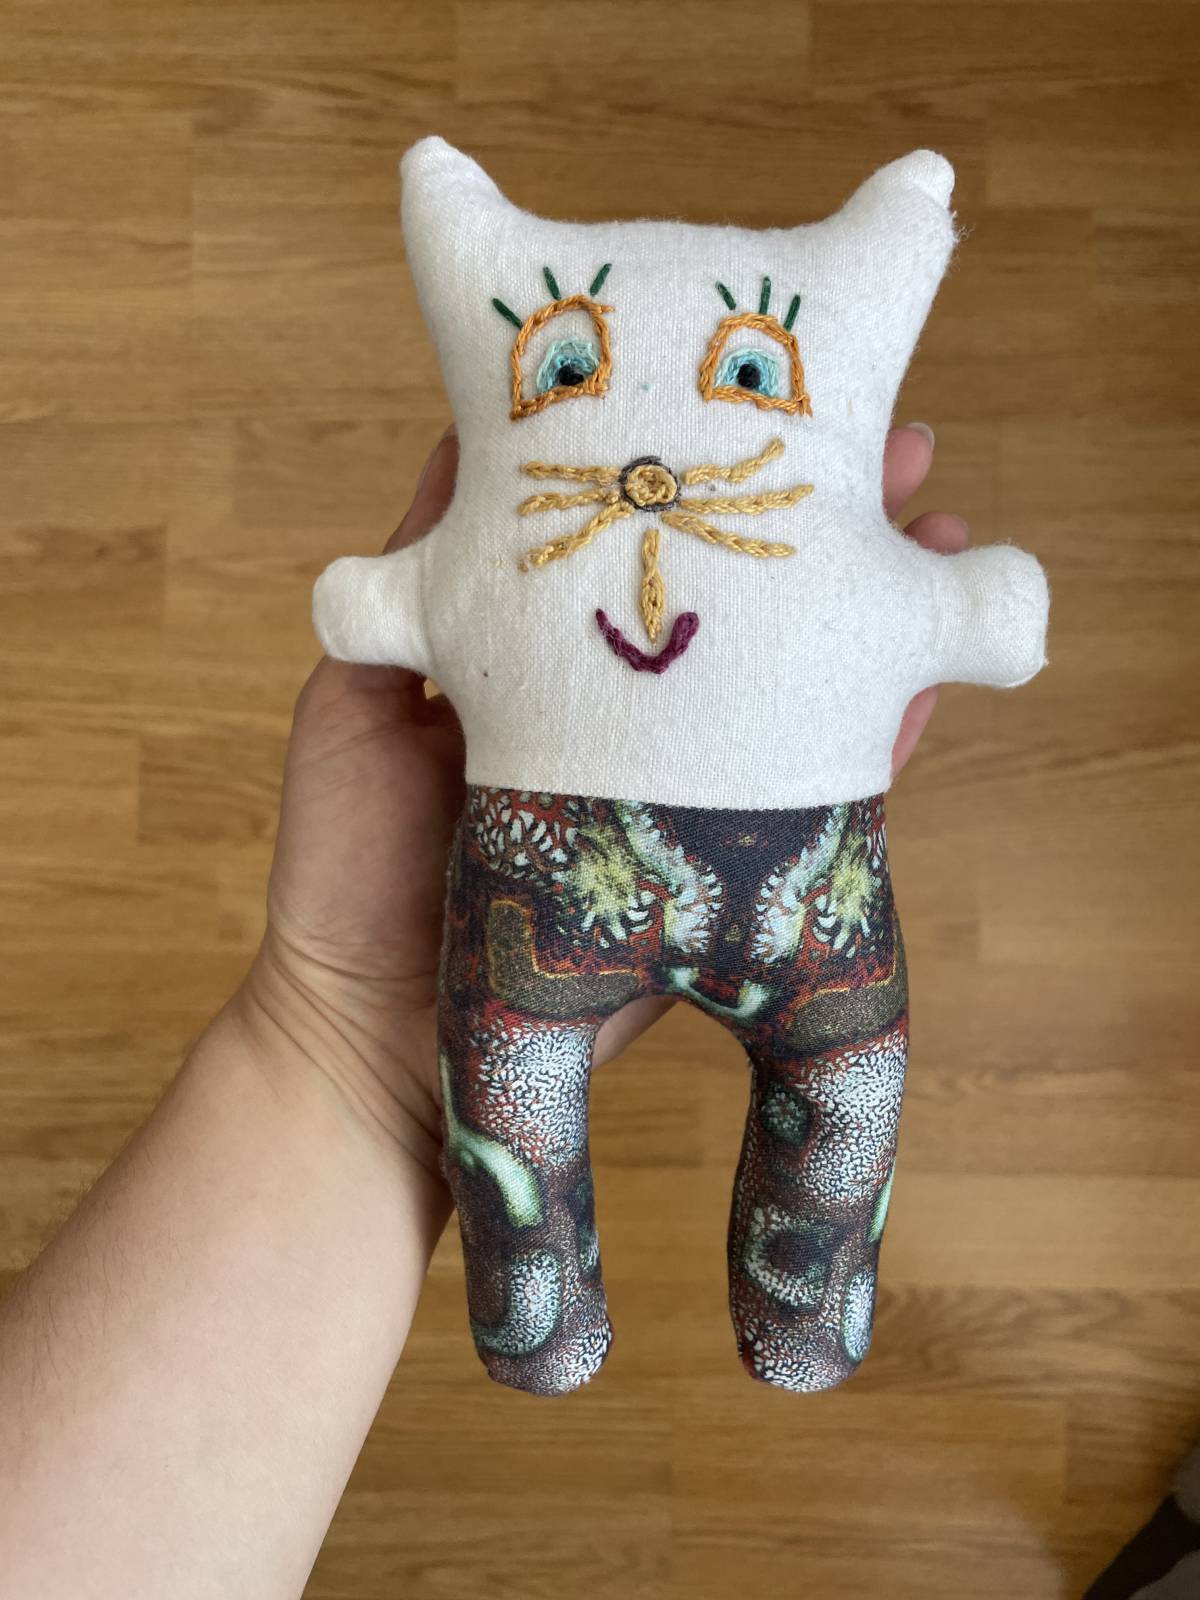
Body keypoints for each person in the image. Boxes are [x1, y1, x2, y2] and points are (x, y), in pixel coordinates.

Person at [0, 423, 961, 1598]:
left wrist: (330, 1038)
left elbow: (367, 607)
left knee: (560, 1089)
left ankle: (557, 1322)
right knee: (839, 1083)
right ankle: (721, 1320)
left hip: (560, 906)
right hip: (752, 911)